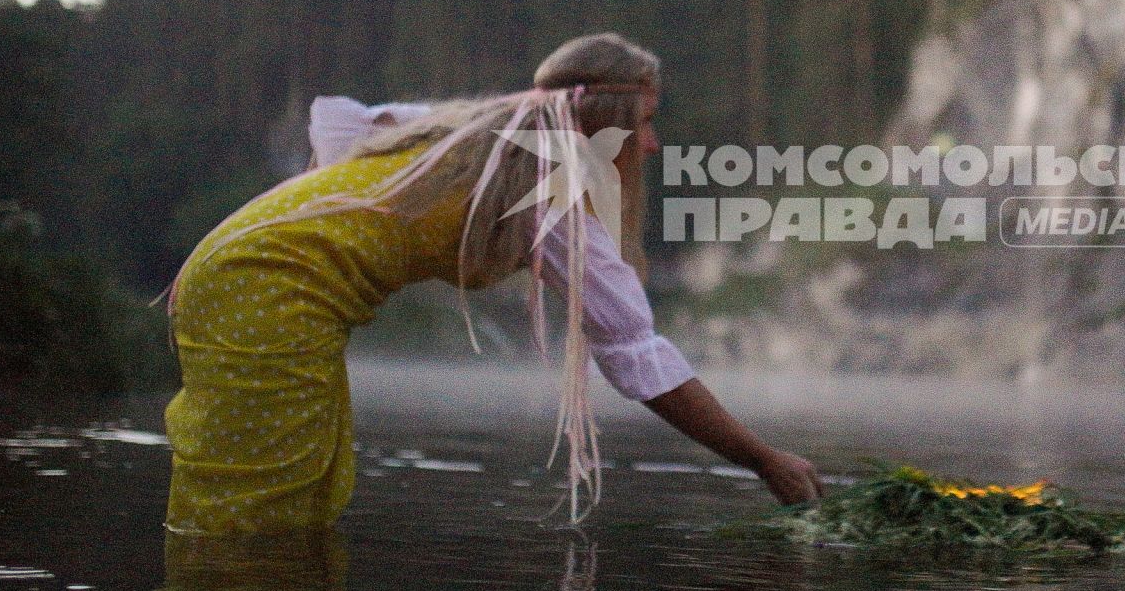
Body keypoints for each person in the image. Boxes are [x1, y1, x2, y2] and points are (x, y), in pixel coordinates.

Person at [160, 32, 823, 534]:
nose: (650, 144)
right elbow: (637, 356)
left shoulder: (474, 131)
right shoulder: (544, 187)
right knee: (257, 511)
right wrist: (763, 459)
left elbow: (356, 131)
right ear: (603, 120)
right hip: (266, 287)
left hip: (246, 268)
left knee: (308, 485)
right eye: (645, 123)